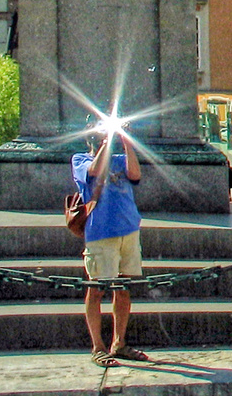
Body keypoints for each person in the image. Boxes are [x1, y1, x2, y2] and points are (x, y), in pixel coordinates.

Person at [72, 123, 148, 366]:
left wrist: (126, 141)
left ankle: (119, 342)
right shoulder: (80, 160)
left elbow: (135, 174)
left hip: (128, 229)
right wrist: (107, 141)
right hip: (101, 232)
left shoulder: (120, 158)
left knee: (123, 289)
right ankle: (98, 346)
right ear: (91, 140)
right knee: (96, 289)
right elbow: (93, 172)